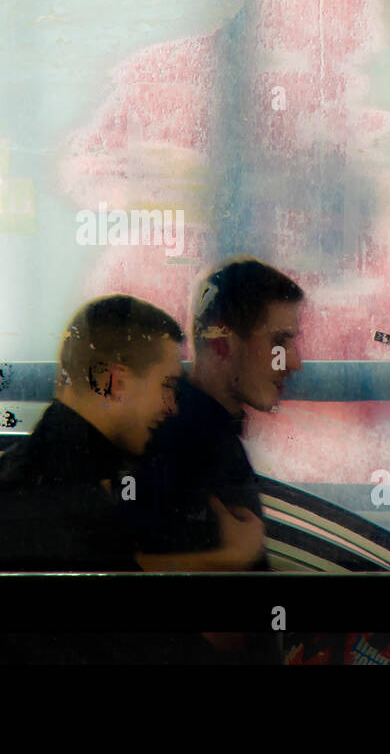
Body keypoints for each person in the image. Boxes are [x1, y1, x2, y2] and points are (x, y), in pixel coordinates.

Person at [0, 294, 265, 663]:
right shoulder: (72, 501)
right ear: (112, 383)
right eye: (167, 386)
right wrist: (233, 558)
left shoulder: (33, 466)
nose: (172, 406)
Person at [122, 256, 305, 661]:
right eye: (279, 341)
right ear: (222, 344)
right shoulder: (195, 448)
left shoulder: (193, 432)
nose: (294, 362)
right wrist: (231, 559)